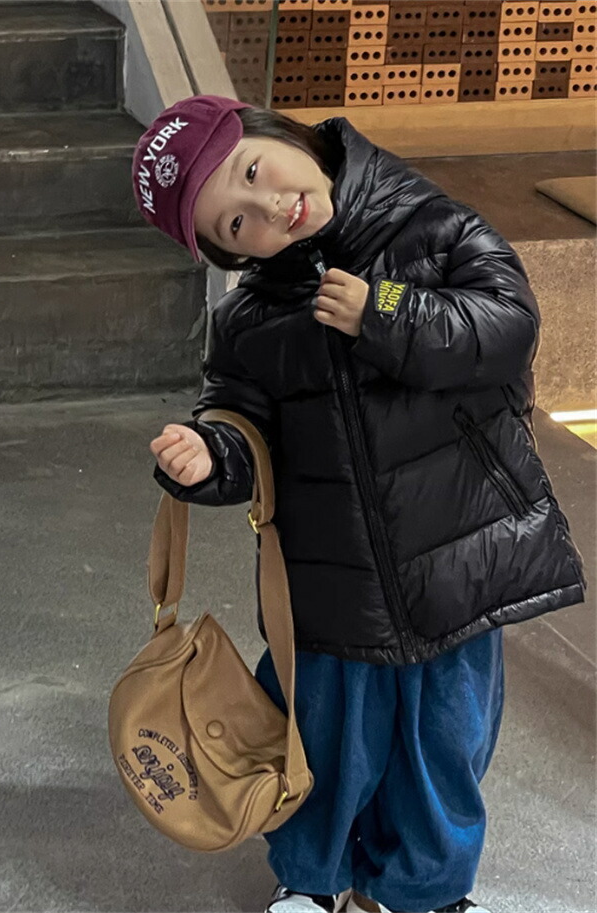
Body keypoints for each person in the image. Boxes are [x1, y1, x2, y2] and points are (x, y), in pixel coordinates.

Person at [132, 95, 587, 913]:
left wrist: (385, 310)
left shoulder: (430, 224)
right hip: (329, 583)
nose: (268, 207)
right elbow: (243, 422)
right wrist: (210, 455)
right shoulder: (249, 322)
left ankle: (428, 890)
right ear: (228, 253)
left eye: (255, 171)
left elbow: (508, 325)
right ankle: (311, 879)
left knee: (444, 744)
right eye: (235, 224)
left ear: (282, 134)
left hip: (457, 558)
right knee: (323, 739)